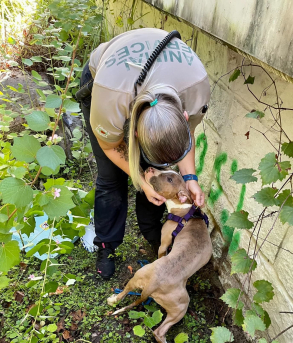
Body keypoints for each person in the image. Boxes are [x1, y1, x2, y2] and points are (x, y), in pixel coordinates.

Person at [78, 27, 210, 279]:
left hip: (156, 84)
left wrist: (190, 178)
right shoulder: (110, 97)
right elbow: (109, 146)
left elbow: (186, 135)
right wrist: (140, 179)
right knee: (111, 176)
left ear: (184, 116)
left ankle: (153, 233)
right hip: (105, 80)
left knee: (157, 173)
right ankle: (107, 246)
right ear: (135, 134)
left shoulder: (197, 89)